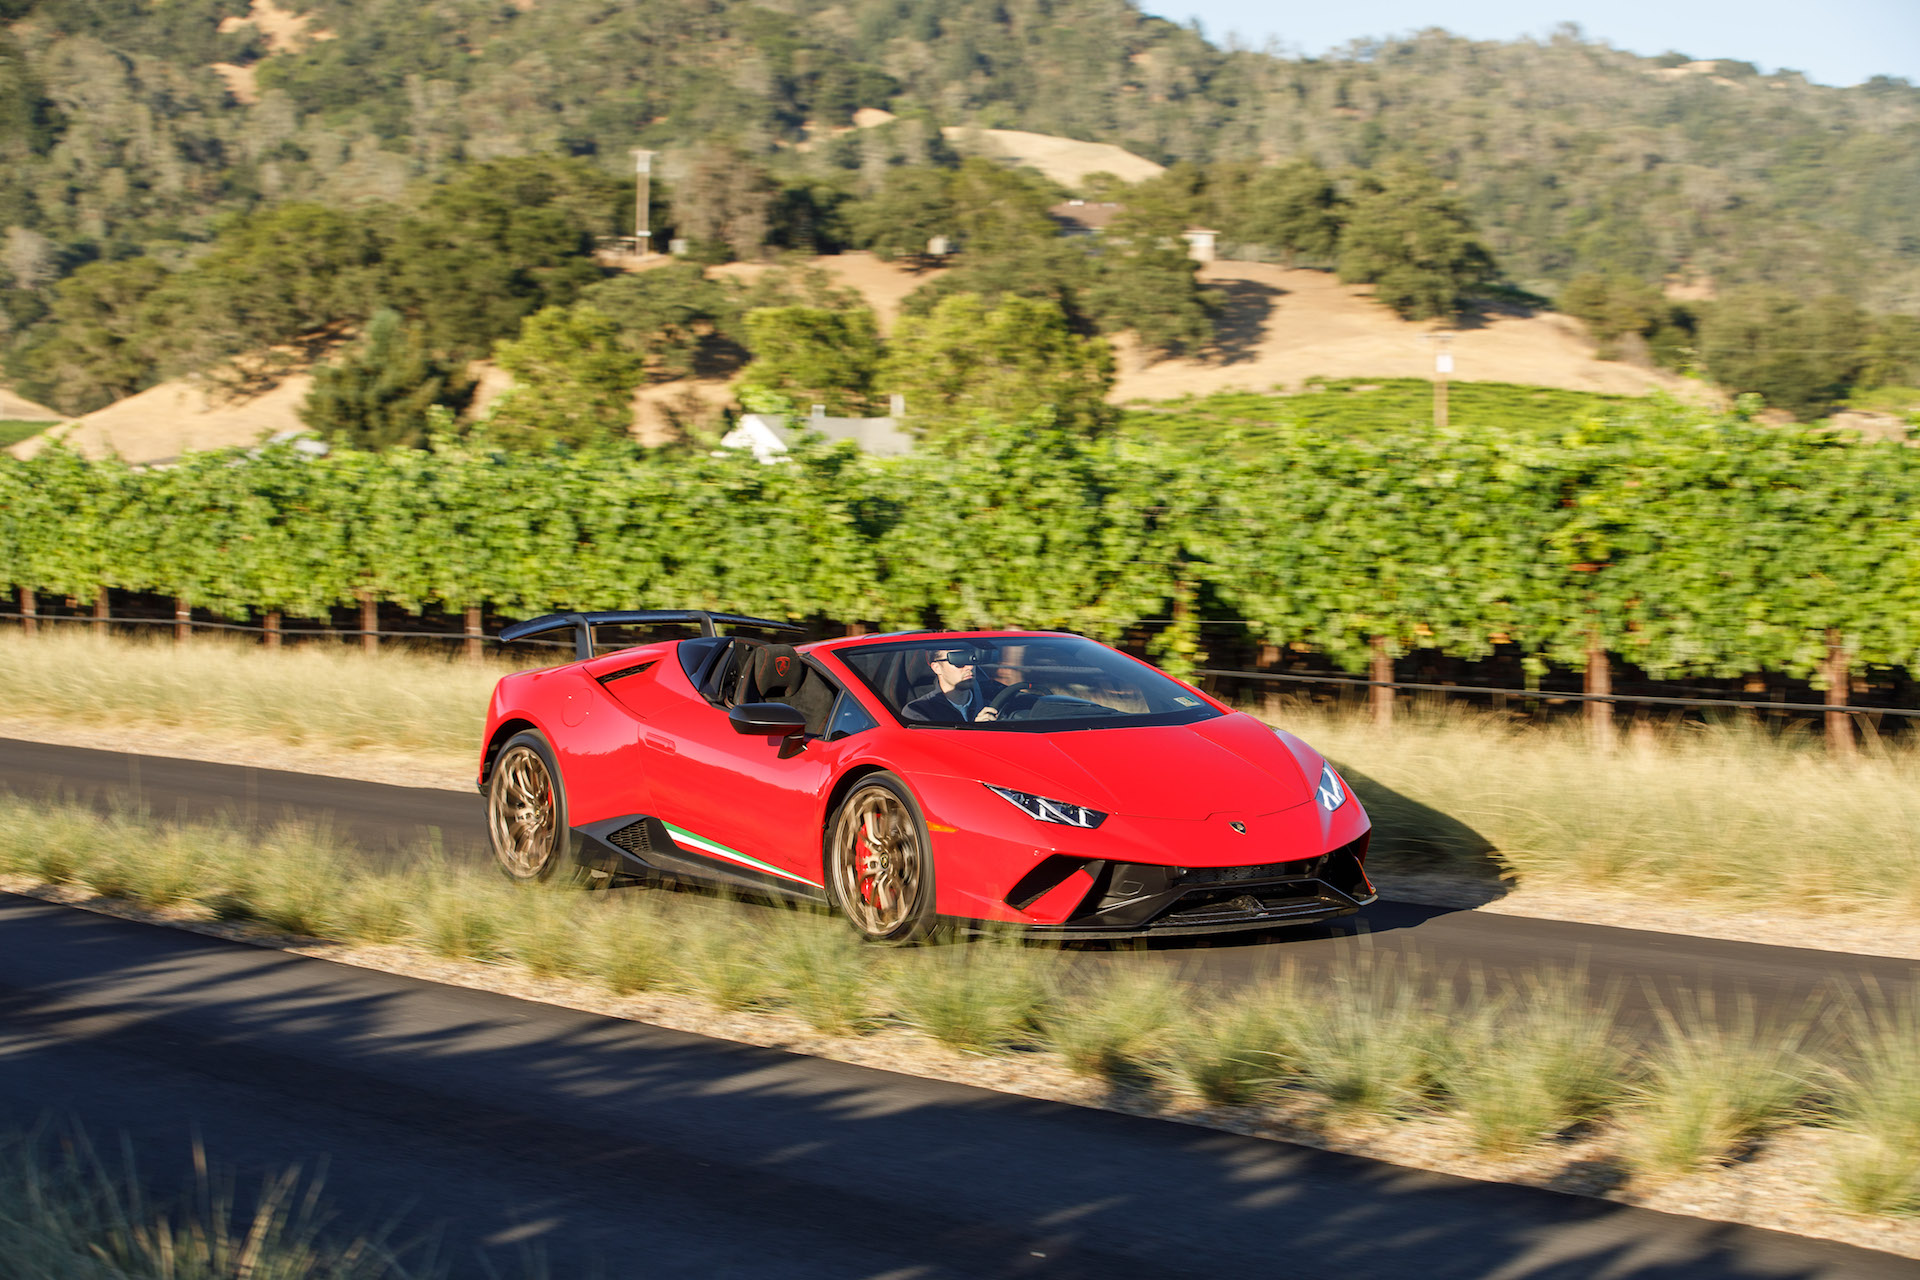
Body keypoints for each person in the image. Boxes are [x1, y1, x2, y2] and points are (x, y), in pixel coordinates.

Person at [901, 645, 1008, 723]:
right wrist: (976, 731)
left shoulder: (993, 703)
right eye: (958, 660)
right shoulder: (918, 711)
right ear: (936, 668)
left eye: (972, 659)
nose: (970, 667)